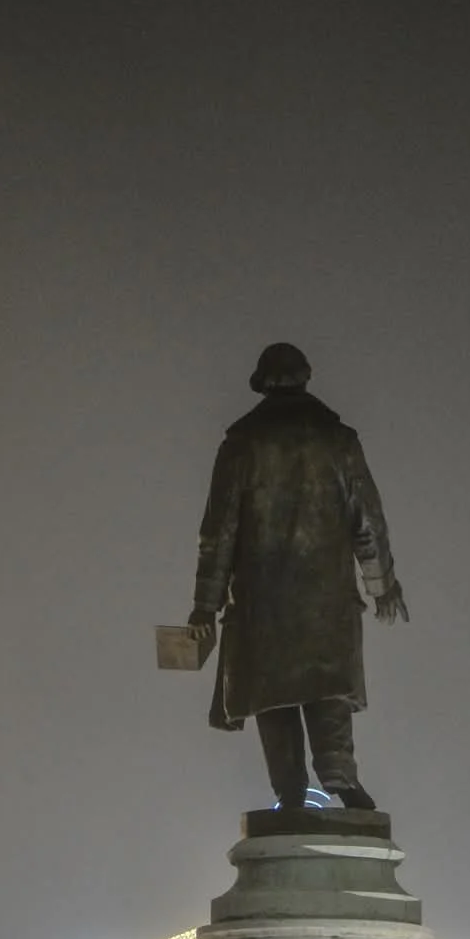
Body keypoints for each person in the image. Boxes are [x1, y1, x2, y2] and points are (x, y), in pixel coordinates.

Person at [187, 342, 407, 809]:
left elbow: (218, 531)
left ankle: (289, 793)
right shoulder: (338, 441)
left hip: (262, 603)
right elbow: (368, 523)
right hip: (326, 600)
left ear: (263, 384)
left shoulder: (242, 444)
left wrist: (204, 604)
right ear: (305, 378)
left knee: (275, 700)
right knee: (329, 694)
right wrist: (382, 585)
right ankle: (341, 778)